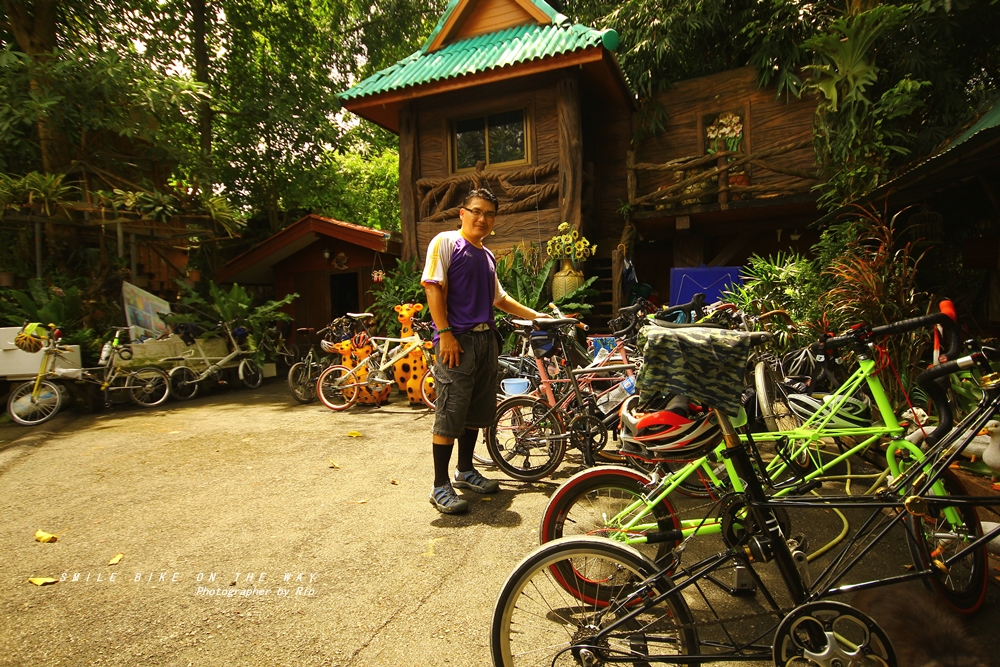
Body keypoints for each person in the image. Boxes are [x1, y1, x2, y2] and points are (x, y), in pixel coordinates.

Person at [421, 188, 544, 514]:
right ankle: (439, 485)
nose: (482, 218)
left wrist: (537, 316)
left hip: (486, 341)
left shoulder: (487, 256)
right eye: (476, 211)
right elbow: (432, 287)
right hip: (456, 342)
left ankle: (465, 470)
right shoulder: (446, 242)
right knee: (450, 413)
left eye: (489, 214)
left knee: (475, 411)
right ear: (462, 213)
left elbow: (499, 299)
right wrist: (445, 334)